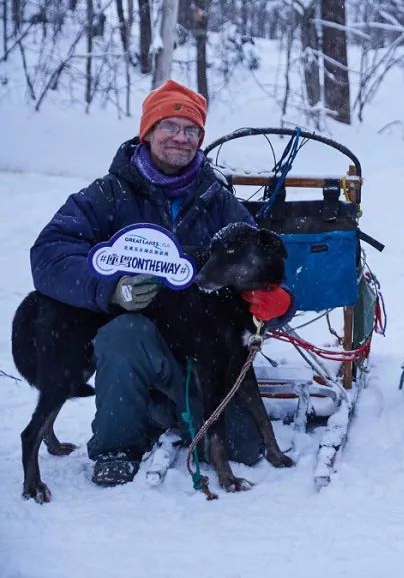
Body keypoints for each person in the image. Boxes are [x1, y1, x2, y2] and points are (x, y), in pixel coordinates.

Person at [30, 80, 294, 486]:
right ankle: (118, 443)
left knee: (244, 450)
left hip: (202, 356)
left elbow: (259, 262)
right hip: (138, 347)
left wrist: (278, 301)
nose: (181, 138)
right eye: (169, 126)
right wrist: (109, 289)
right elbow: (49, 253)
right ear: (147, 132)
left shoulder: (217, 199)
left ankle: (167, 412)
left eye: (191, 130)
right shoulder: (110, 194)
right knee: (125, 332)